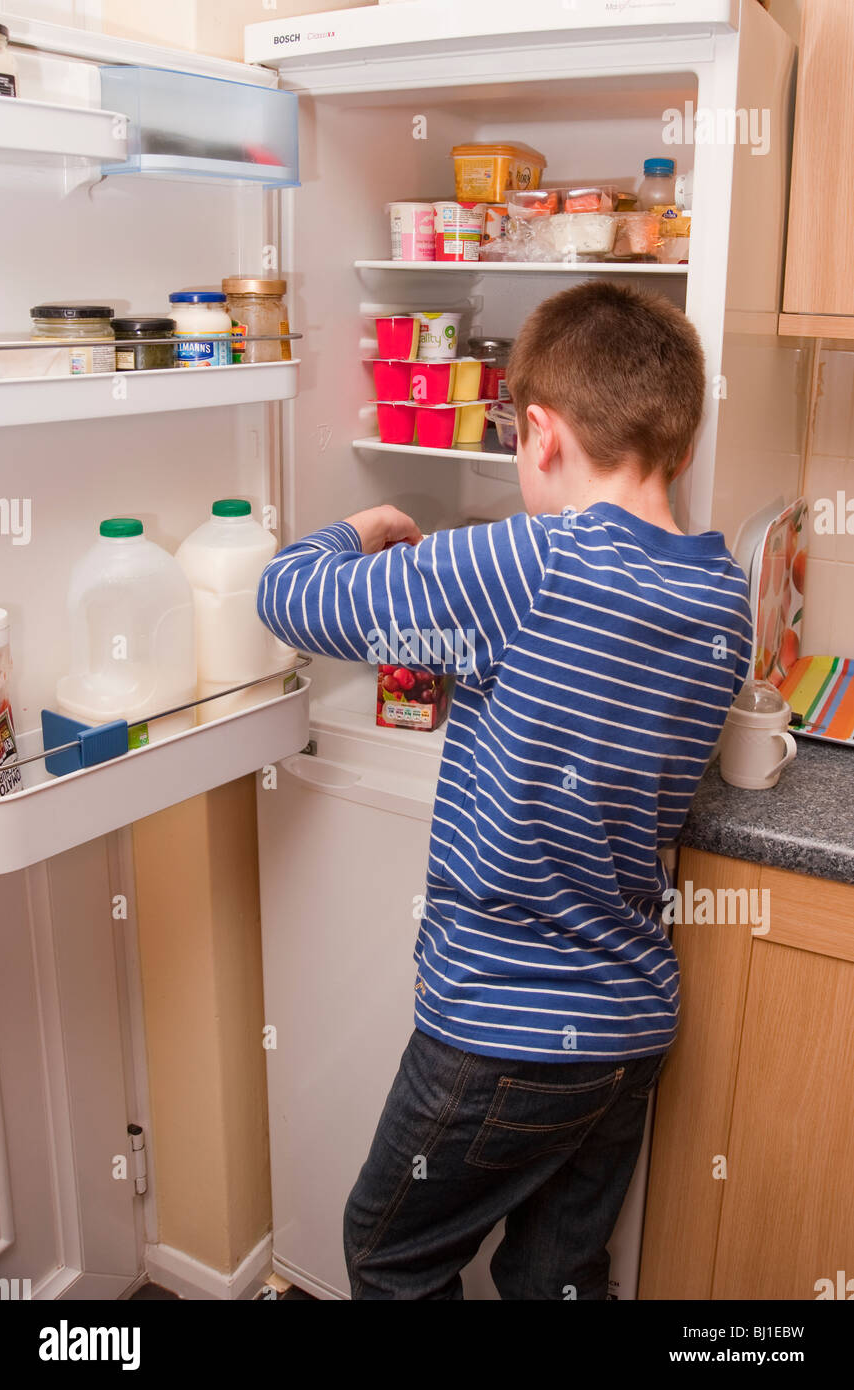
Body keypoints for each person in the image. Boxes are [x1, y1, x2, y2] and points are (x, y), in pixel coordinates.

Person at [257, 281, 752, 1300]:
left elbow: (289, 600)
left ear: (537, 433)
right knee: (557, 1273)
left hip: (500, 1028)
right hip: (628, 1024)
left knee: (389, 1251)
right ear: (684, 444)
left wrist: (357, 528)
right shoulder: (720, 592)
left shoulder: (523, 564)